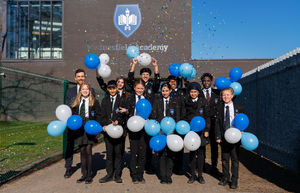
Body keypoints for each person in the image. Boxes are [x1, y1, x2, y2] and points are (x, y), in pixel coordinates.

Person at [127, 57, 161, 173]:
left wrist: (155, 66)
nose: (145, 75)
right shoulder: (136, 88)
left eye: (147, 74)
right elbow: (130, 79)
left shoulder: (152, 87)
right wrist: (134, 64)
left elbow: (157, 81)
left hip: (148, 121)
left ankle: (147, 165)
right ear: (141, 75)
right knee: (136, 147)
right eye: (144, 74)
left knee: (146, 145)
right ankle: (135, 167)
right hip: (135, 122)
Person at [64, 69, 95, 178]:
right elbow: (68, 107)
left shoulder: (92, 91)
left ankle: (88, 173)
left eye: (82, 76)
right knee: (70, 145)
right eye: (78, 76)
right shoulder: (70, 91)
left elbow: (93, 107)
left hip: (86, 125)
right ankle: (68, 168)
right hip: (73, 124)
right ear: (75, 78)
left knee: (86, 149)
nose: (80, 78)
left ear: (85, 77)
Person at [151, 83, 184, 184]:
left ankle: (168, 175)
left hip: (172, 132)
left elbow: (178, 117)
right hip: (160, 131)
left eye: (166, 90)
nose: (164, 92)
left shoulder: (175, 101)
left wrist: (174, 130)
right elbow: (154, 115)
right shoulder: (157, 101)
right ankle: (162, 176)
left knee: (170, 154)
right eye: (163, 90)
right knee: (161, 154)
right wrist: (159, 129)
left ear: (170, 91)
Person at [99, 80, 128, 184]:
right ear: (107, 89)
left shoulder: (122, 100)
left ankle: (117, 175)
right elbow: (102, 115)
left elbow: (125, 115)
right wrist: (105, 125)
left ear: (117, 88)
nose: (112, 90)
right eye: (110, 88)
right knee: (110, 153)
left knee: (118, 153)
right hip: (108, 131)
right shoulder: (104, 100)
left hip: (119, 131)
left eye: (113, 88)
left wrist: (118, 121)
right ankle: (109, 174)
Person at [71, 83, 101, 184]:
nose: (85, 91)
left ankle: (89, 175)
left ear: (90, 91)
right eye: (83, 89)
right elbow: (73, 116)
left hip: (90, 127)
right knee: (82, 150)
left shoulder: (94, 102)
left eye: (87, 89)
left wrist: (97, 129)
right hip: (79, 128)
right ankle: (83, 174)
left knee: (88, 150)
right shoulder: (76, 102)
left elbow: (98, 115)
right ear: (80, 91)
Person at [215, 87, 244, 189]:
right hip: (224, 138)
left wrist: (242, 129)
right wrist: (218, 136)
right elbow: (217, 123)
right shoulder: (219, 108)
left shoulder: (239, 108)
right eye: (223, 95)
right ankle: (225, 178)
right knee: (224, 159)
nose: (225, 97)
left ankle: (234, 180)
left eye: (228, 95)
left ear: (232, 95)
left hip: (235, 138)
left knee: (235, 159)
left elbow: (242, 121)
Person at [184, 82, 211, 184]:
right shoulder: (186, 102)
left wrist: (207, 130)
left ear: (199, 92)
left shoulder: (203, 102)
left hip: (202, 132)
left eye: (195, 91)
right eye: (191, 91)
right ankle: (192, 175)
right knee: (192, 154)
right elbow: (184, 116)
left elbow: (207, 117)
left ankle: (200, 175)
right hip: (190, 132)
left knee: (200, 154)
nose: (193, 93)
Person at [126, 80, 151, 184]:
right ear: (134, 88)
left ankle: (140, 174)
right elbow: (128, 112)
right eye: (138, 88)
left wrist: (149, 119)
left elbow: (151, 111)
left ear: (144, 89)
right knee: (134, 152)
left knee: (142, 152)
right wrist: (127, 112)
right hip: (133, 129)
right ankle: (134, 175)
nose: (140, 90)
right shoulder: (130, 98)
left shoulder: (148, 99)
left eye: (142, 88)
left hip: (144, 129)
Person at [200, 73, 220, 174]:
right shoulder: (198, 93)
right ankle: (202, 165)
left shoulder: (217, 92)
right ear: (202, 82)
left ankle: (214, 166)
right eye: (204, 81)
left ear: (211, 82)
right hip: (202, 122)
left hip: (214, 122)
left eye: (208, 81)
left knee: (214, 145)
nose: (206, 82)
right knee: (202, 144)